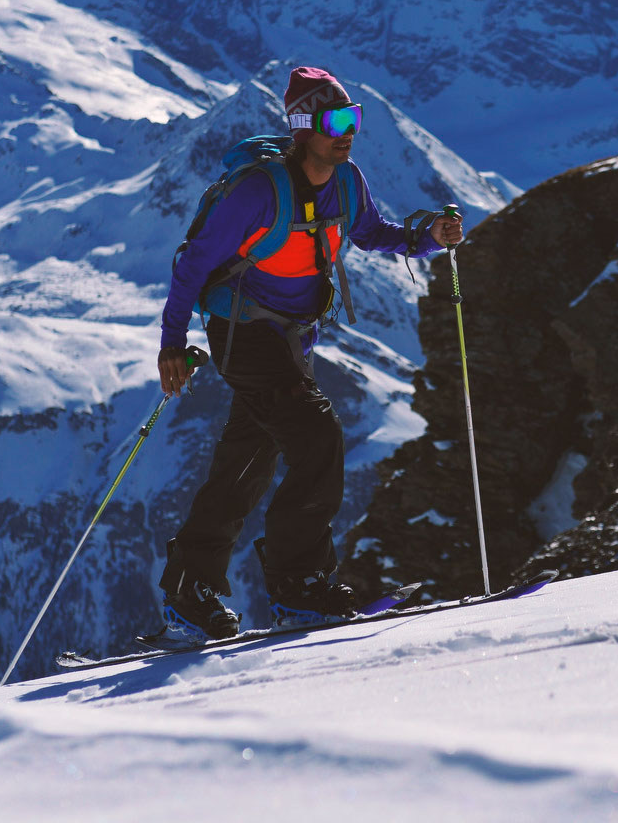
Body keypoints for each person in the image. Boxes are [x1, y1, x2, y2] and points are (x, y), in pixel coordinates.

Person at [154, 66, 464, 638]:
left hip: (292, 337)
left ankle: (188, 592)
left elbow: (372, 233)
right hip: (241, 333)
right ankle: (298, 585)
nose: (346, 132)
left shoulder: (347, 181)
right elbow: (193, 264)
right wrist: (173, 342)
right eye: (332, 122)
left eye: (351, 119)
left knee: (249, 459)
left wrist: (427, 241)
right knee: (316, 437)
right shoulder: (256, 192)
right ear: (301, 128)